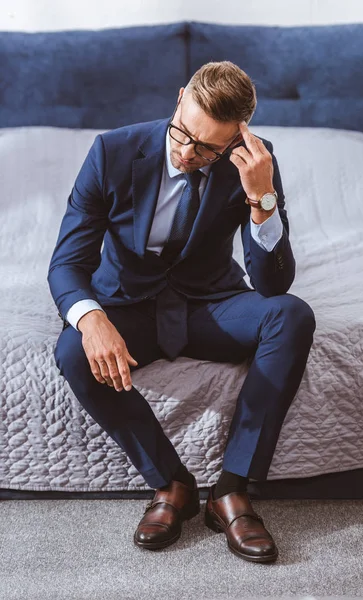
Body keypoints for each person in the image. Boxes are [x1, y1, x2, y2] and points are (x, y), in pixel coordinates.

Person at [48, 60, 316, 564]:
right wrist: (90, 317)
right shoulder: (112, 151)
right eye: (182, 133)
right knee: (72, 350)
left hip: (209, 305)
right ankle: (172, 484)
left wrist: (262, 197)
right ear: (178, 100)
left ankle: (231, 490)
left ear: (237, 137)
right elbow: (66, 263)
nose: (187, 153)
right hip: (128, 305)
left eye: (208, 148)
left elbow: (272, 284)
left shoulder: (256, 161)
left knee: (292, 314)